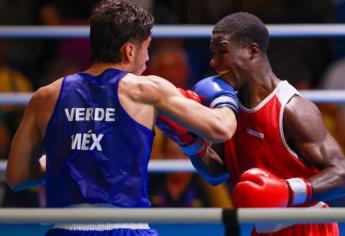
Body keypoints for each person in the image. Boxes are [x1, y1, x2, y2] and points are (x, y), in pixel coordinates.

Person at [5, 1, 239, 236]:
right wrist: (226, 98)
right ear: (129, 50)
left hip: (65, 228)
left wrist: (65, 160)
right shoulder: (147, 90)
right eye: (147, 48)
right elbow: (220, 129)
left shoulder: (45, 97)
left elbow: (16, 177)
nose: (147, 59)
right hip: (127, 227)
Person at [158, 12, 345, 235]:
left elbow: (341, 173)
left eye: (222, 51)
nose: (213, 62)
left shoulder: (291, 109)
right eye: (213, 53)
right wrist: (190, 142)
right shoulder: (228, 109)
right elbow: (217, 174)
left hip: (308, 227)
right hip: (262, 229)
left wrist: (289, 191)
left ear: (252, 51)